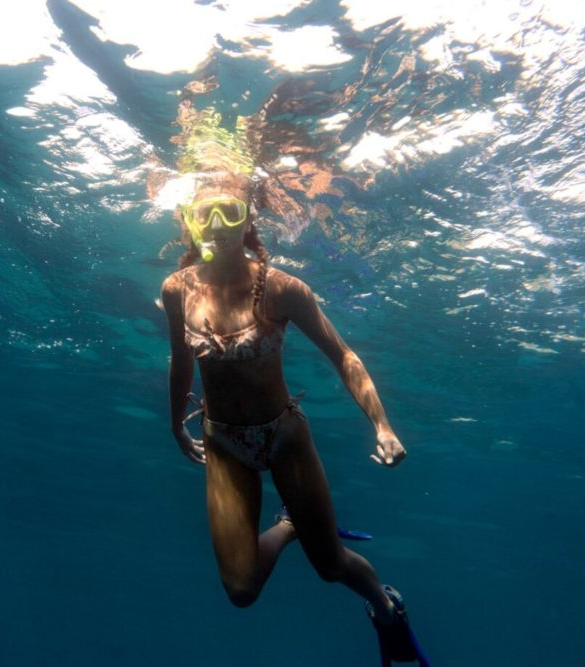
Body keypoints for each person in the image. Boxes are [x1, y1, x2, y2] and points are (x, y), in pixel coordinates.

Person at [161, 168, 429, 664]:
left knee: (329, 566)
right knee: (240, 591)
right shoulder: (178, 289)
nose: (217, 224)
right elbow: (180, 361)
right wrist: (176, 423)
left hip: (284, 436)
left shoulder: (283, 288)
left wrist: (383, 425)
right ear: (190, 223)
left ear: (248, 223)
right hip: (223, 442)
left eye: (231, 212)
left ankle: (384, 605)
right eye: (205, 214)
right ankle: (287, 527)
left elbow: (344, 355)